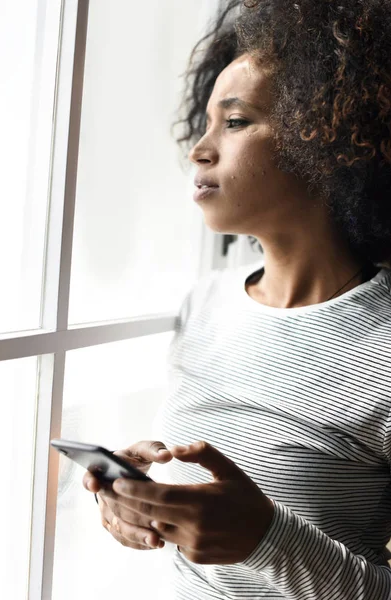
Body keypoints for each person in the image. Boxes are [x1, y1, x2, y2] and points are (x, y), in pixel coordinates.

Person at [83, 1, 391, 598]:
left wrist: (267, 539)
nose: (199, 149)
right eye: (204, 123)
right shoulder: (206, 304)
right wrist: (140, 500)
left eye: (236, 121)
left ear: (327, 139)